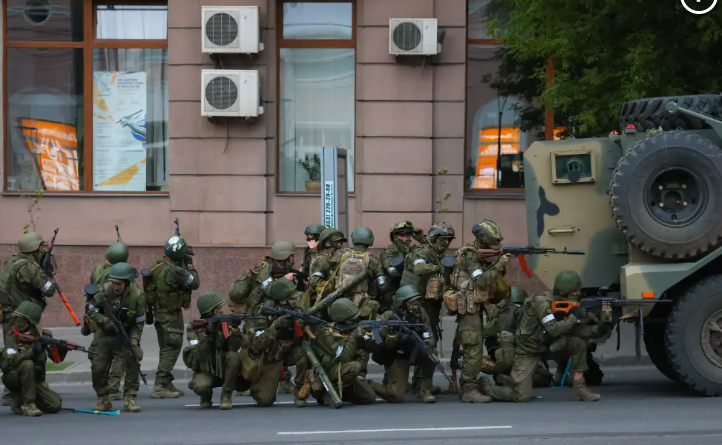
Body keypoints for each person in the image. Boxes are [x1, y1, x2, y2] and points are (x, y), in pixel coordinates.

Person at [478, 270, 601, 403]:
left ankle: (579, 386)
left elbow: (576, 330)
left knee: (578, 343)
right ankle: (488, 388)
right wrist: (573, 317)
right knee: (521, 396)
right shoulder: (541, 302)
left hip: (547, 346)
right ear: (565, 292)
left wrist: (599, 328)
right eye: (575, 291)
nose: (579, 293)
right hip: (527, 351)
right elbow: (554, 329)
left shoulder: (566, 304)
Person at [446, 220, 512, 403]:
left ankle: (470, 386)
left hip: (476, 306)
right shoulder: (470, 254)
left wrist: (498, 262)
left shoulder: (482, 254)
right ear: (482, 239)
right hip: (468, 308)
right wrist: (500, 264)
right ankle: (469, 390)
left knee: (475, 347)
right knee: (473, 349)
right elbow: (481, 281)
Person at [228, 240, 299, 395]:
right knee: (256, 350)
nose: (294, 259)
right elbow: (270, 289)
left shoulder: (279, 270)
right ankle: (248, 382)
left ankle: (283, 380)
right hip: (256, 318)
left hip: (270, 316)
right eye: (291, 257)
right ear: (283, 257)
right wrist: (285, 280)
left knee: (277, 345)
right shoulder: (264, 269)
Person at [0, 232, 57, 406]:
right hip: (25, 318)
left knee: (12, 351)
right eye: (41, 248)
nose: (42, 251)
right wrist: (46, 272)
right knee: (33, 350)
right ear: (34, 249)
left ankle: (11, 391)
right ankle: (28, 391)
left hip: (10, 314)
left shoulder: (11, 263)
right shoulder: (29, 267)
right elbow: (49, 289)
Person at [399, 222, 456, 396]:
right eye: (443, 239)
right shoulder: (422, 252)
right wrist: (441, 268)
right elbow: (419, 268)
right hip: (417, 305)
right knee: (428, 343)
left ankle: (419, 382)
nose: (446, 243)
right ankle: (424, 386)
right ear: (434, 238)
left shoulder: (437, 253)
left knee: (428, 341)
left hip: (429, 305)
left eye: (449, 240)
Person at [85, 262, 147, 412]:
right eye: (113, 283)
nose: (115, 286)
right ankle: (103, 398)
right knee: (97, 365)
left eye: (119, 284)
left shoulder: (137, 297)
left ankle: (130, 398)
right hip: (105, 332)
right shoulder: (103, 291)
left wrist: (134, 340)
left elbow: (139, 323)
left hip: (126, 332)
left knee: (133, 358)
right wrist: (104, 320)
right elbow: (91, 309)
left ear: (127, 283)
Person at [145, 235, 200, 399]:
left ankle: (167, 382)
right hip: (170, 315)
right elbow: (195, 283)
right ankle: (160, 385)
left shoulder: (158, 264)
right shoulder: (176, 271)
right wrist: (190, 265)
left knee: (165, 347)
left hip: (160, 312)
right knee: (172, 347)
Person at [240, 278, 308, 407]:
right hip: (271, 356)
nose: (296, 298)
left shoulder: (297, 309)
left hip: (289, 351)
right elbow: (258, 344)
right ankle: (257, 384)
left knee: (303, 352)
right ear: (282, 299)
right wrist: (275, 326)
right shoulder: (264, 312)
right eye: (292, 297)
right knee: (264, 400)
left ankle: (299, 390)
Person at [329, 226, 387, 376]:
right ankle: (359, 374)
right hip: (361, 307)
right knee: (362, 339)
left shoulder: (340, 255)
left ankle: (341, 370)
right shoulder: (372, 260)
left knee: (339, 337)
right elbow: (383, 284)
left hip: (339, 304)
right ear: (370, 240)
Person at [369, 285, 437, 404]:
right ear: (402, 303)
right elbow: (381, 339)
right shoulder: (390, 316)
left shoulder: (420, 313)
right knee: (396, 397)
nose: (415, 305)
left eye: (417, 302)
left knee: (431, 353)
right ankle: (370, 384)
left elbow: (429, 333)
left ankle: (425, 389)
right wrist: (397, 337)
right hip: (397, 355)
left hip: (413, 350)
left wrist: (427, 344)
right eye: (411, 302)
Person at [87, 240, 132, 401]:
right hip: (113, 317)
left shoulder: (98, 269)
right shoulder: (119, 274)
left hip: (98, 318)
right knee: (119, 354)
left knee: (101, 355)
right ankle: (112, 388)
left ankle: (104, 387)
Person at [0, 301, 63, 416]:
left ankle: (21, 400)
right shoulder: (13, 336)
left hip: (33, 379)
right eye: (17, 318)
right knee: (27, 363)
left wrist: (59, 347)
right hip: (13, 378)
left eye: (20, 319)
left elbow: (56, 359)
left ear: (29, 322)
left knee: (55, 404)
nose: (17, 321)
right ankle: (29, 404)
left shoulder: (40, 336)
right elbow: (8, 362)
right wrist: (31, 351)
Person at [183, 292, 244, 410]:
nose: (222, 311)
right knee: (200, 387)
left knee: (234, 357)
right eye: (219, 308)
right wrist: (206, 334)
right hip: (206, 369)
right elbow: (196, 355)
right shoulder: (194, 329)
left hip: (224, 366)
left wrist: (235, 329)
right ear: (211, 311)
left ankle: (226, 396)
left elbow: (234, 347)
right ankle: (206, 397)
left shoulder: (225, 324)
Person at [312, 298, 377, 407]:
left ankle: (342, 392)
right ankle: (327, 391)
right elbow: (343, 357)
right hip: (329, 372)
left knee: (369, 397)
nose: (356, 321)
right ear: (345, 320)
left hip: (344, 372)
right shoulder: (328, 333)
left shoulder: (350, 329)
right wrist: (353, 338)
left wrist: (374, 336)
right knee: (355, 366)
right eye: (353, 319)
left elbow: (372, 348)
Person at [484, 286, 552, 388]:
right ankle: (514, 379)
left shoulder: (497, 315)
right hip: (514, 356)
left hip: (499, 357)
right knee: (544, 377)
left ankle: (504, 375)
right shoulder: (519, 314)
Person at [379, 221, 426, 312]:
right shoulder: (388, 252)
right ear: (395, 237)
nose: (405, 239)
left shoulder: (413, 250)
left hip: (413, 295)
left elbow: (431, 253)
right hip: (393, 295)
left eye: (408, 235)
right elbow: (392, 271)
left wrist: (422, 240)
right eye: (402, 235)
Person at [308, 228, 347, 305]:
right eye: (337, 242)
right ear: (327, 243)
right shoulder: (323, 259)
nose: (340, 245)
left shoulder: (335, 257)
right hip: (321, 302)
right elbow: (314, 282)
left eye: (341, 243)